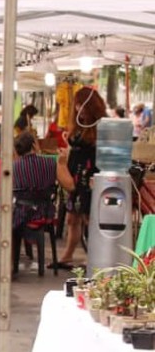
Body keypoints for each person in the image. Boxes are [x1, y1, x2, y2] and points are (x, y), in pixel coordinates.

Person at [54, 87, 107, 269]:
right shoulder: (78, 125)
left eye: (82, 105)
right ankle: (68, 254)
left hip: (89, 176)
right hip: (75, 174)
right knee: (72, 218)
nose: (78, 108)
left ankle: (93, 255)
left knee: (88, 217)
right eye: (77, 105)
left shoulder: (100, 127)